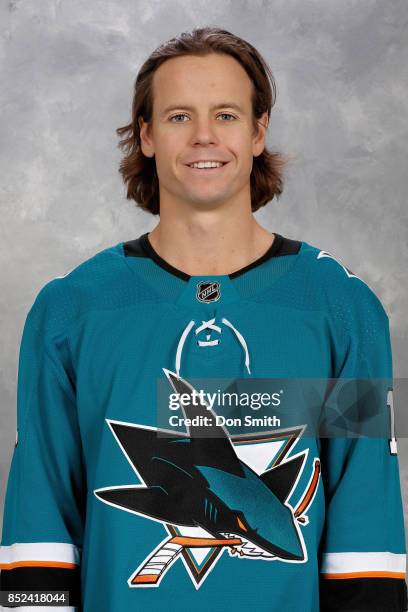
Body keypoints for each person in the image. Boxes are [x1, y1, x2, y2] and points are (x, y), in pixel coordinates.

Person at [0, 26, 406, 612]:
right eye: (178, 117)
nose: (204, 137)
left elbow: (365, 521)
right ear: (145, 134)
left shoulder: (341, 308)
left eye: (225, 114)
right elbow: (39, 512)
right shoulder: (71, 309)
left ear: (259, 130)